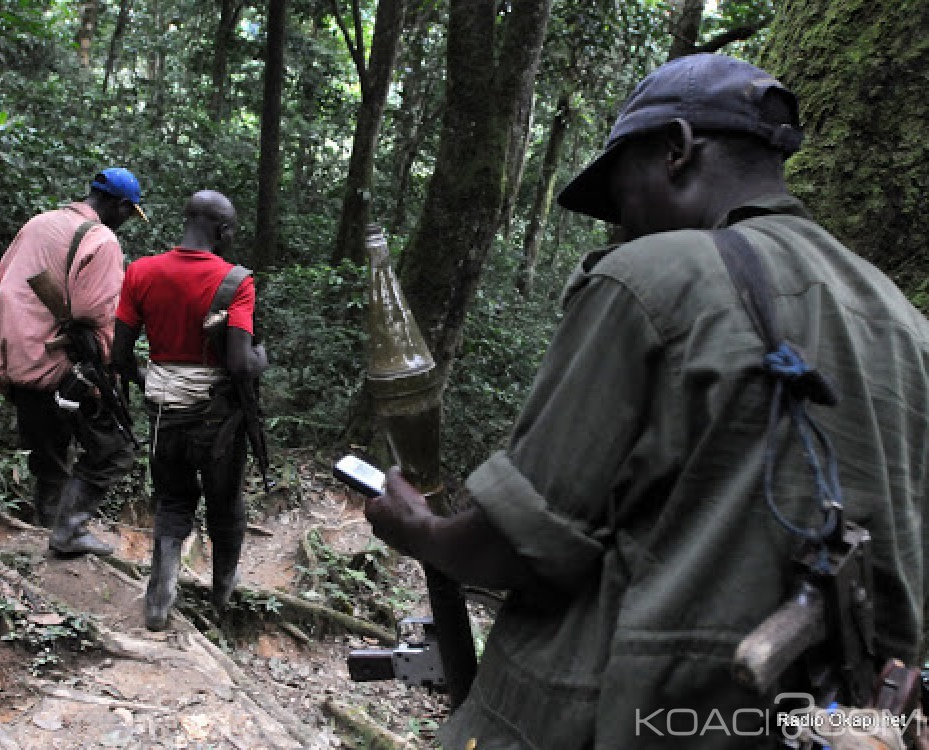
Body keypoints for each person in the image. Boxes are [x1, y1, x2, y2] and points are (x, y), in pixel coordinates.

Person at [363, 54, 928, 748]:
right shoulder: (906, 324)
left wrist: (421, 530)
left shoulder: (651, 279)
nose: (622, 228)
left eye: (622, 197)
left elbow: (522, 545)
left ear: (677, 149)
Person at [112, 189, 267, 632]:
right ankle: (222, 593)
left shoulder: (140, 271)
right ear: (221, 229)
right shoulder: (237, 281)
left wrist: (151, 383)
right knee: (225, 502)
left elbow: (120, 354)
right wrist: (262, 359)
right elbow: (239, 363)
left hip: (165, 411)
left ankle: (160, 595)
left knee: (173, 498)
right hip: (217, 419)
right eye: (231, 228)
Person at [0, 168, 147, 557]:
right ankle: (68, 533)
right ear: (120, 205)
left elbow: (1, 279)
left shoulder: (39, 223)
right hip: (59, 363)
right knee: (114, 451)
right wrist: (115, 366)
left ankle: (47, 532)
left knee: (50, 455)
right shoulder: (101, 239)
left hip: (15, 358)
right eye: (129, 213)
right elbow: (97, 311)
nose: (126, 222)